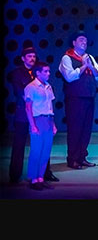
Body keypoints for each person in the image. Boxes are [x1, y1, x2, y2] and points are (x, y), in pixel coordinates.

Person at [8, 46, 58, 184]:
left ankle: (45, 173)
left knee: (44, 144)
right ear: (23, 58)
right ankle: (15, 175)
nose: (32, 58)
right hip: (23, 114)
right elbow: (20, 92)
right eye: (29, 56)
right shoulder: (17, 73)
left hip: (40, 114)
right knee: (19, 144)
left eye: (34, 56)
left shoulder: (41, 75)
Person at [59, 30, 98, 169]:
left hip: (89, 97)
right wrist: (84, 66)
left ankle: (82, 156)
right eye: (81, 40)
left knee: (86, 129)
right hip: (75, 98)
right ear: (74, 43)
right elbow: (69, 76)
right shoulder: (67, 58)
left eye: (85, 40)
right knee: (75, 129)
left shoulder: (89, 57)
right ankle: (72, 159)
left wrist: (90, 65)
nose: (84, 42)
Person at [24, 61, 57, 191]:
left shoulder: (48, 86)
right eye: (45, 71)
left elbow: (50, 107)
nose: (48, 73)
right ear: (38, 73)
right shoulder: (31, 87)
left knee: (46, 151)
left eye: (49, 71)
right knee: (36, 150)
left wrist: (53, 124)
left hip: (48, 120)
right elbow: (28, 108)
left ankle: (41, 178)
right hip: (38, 120)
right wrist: (32, 125)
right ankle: (33, 179)